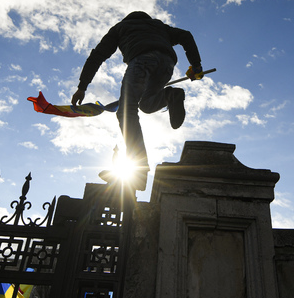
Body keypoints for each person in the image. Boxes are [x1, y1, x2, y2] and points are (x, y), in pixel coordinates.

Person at [71, 11, 204, 190]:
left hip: (141, 62)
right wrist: (196, 65)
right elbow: (186, 36)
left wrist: (82, 86)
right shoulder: (159, 26)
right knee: (146, 104)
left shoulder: (121, 28)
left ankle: (139, 171)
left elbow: (98, 55)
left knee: (126, 112)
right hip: (166, 64)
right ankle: (170, 95)